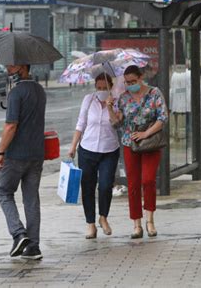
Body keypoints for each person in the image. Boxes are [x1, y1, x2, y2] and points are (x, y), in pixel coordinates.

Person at [107, 65, 168, 239]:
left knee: (148, 180)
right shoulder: (123, 98)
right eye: (127, 82)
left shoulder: (154, 93)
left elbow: (162, 118)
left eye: (133, 81)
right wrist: (110, 108)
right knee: (133, 184)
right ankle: (137, 224)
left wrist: (145, 133)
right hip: (130, 143)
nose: (130, 85)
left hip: (150, 142)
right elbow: (116, 123)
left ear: (141, 77)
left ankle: (150, 220)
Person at [0, 64, 46, 260]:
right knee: (31, 198)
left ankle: (19, 234)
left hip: (16, 154)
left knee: (4, 191)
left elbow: (11, 126)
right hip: (36, 153)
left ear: (23, 67)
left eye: (13, 65)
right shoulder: (40, 90)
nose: (9, 68)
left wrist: (1, 151)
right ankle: (33, 246)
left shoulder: (16, 93)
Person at [68, 73, 120, 239]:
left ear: (110, 87)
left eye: (105, 88)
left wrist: (110, 107)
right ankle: (90, 223)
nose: (101, 91)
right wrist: (73, 146)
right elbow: (81, 123)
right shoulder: (88, 100)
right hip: (87, 149)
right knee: (88, 187)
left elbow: (116, 124)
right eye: (98, 88)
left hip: (109, 150)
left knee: (105, 185)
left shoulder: (118, 101)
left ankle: (103, 217)